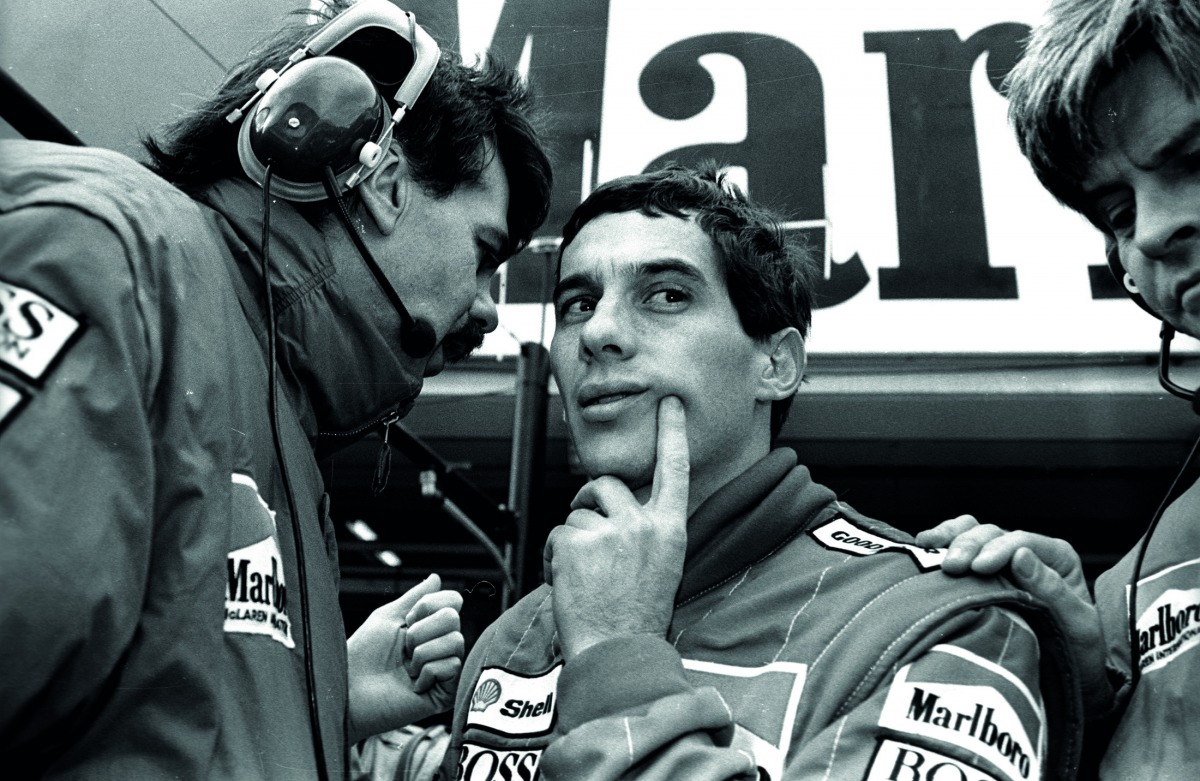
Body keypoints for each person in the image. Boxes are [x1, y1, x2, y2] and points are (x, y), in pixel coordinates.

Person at [0, 0, 551, 777]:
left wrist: (318, 702)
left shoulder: (270, 401)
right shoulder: (108, 257)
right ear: (385, 183)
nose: (489, 306)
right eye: (484, 250)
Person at [436, 163, 1083, 781]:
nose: (598, 330)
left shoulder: (943, 622)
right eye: (578, 302)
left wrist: (616, 658)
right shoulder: (513, 640)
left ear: (776, 364)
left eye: (665, 294)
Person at [915, 1, 1200, 777]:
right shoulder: (1148, 565)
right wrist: (1089, 682)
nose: (1150, 230)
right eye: (1117, 209)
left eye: (1195, 159)